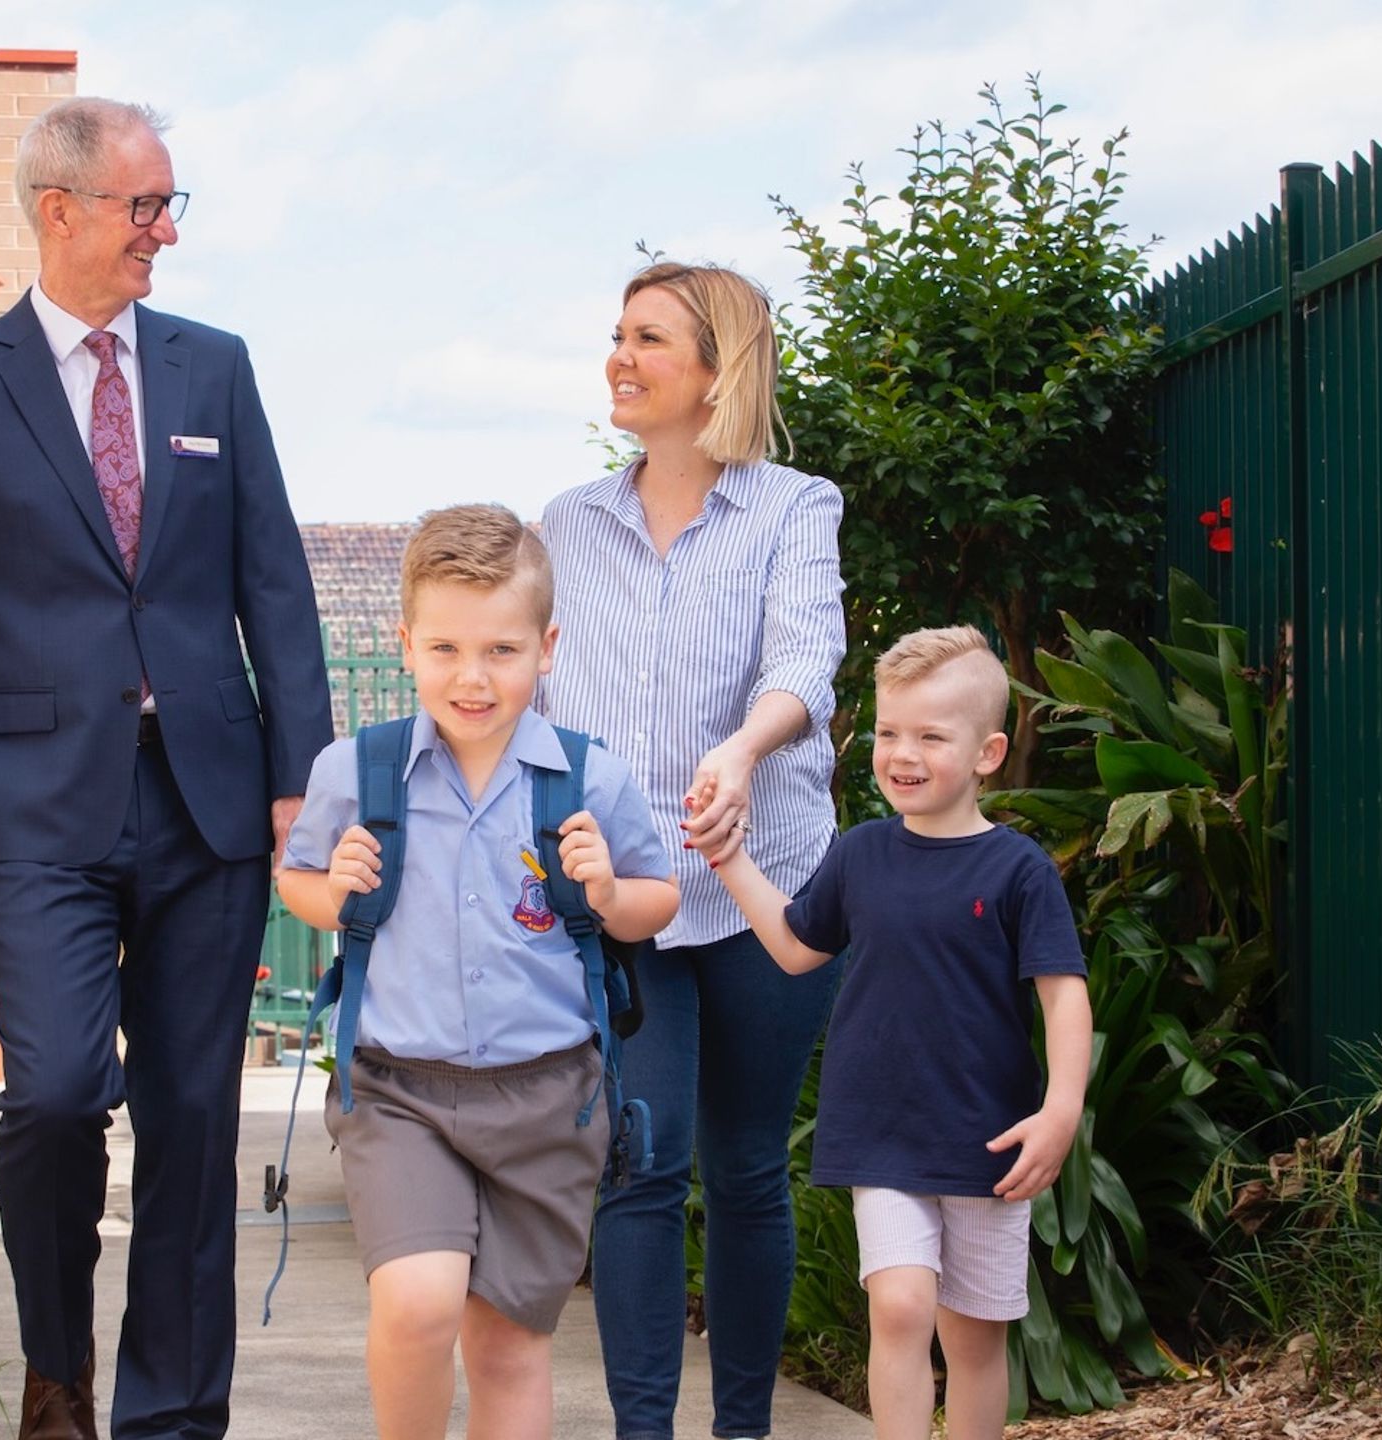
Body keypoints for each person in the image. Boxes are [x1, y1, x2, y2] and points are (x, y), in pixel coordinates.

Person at [0, 96, 332, 1440]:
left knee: (194, 1117)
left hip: (209, 800)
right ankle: (58, 1374)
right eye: (144, 206)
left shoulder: (211, 368)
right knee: (59, 1091)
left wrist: (297, 776)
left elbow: (274, 587)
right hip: (37, 807)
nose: (165, 232)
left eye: (170, 205)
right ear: (58, 209)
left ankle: (175, 1414)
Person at [276, 505, 680, 1440]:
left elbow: (657, 899)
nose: (472, 676)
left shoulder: (588, 780)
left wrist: (610, 891)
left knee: (506, 1343)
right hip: (399, 1090)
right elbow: (296, 879)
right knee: (418, 1305)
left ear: (547, 646)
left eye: (501, 650)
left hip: (550, 1098)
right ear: (406, 644)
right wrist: (329, 891)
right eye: (447, 649)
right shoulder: (357, 769)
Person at [540, 261, 846, 1440]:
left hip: (765, 878)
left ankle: (746, 1430)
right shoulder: (567, 523)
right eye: (617, 333)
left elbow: (802, 663)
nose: (619, 355)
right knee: (643, 1160)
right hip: (626, 890)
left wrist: (742, 749)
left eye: (649, 338)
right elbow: (533, 692)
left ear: (719, 370)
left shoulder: (793, 506)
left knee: (748, 1166)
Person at [700, 625, 1092, 1440]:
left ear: (987, 753)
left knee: (976, 1340)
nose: (901, 753)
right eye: (887, 732)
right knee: (902, 1306)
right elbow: (796, 946)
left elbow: (1063, 996)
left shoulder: (1019, 871)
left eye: (929, 737)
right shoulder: (861, 853)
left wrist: (1060, 1113)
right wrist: (730, 859)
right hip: (880, 1133)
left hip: (989, 1142)